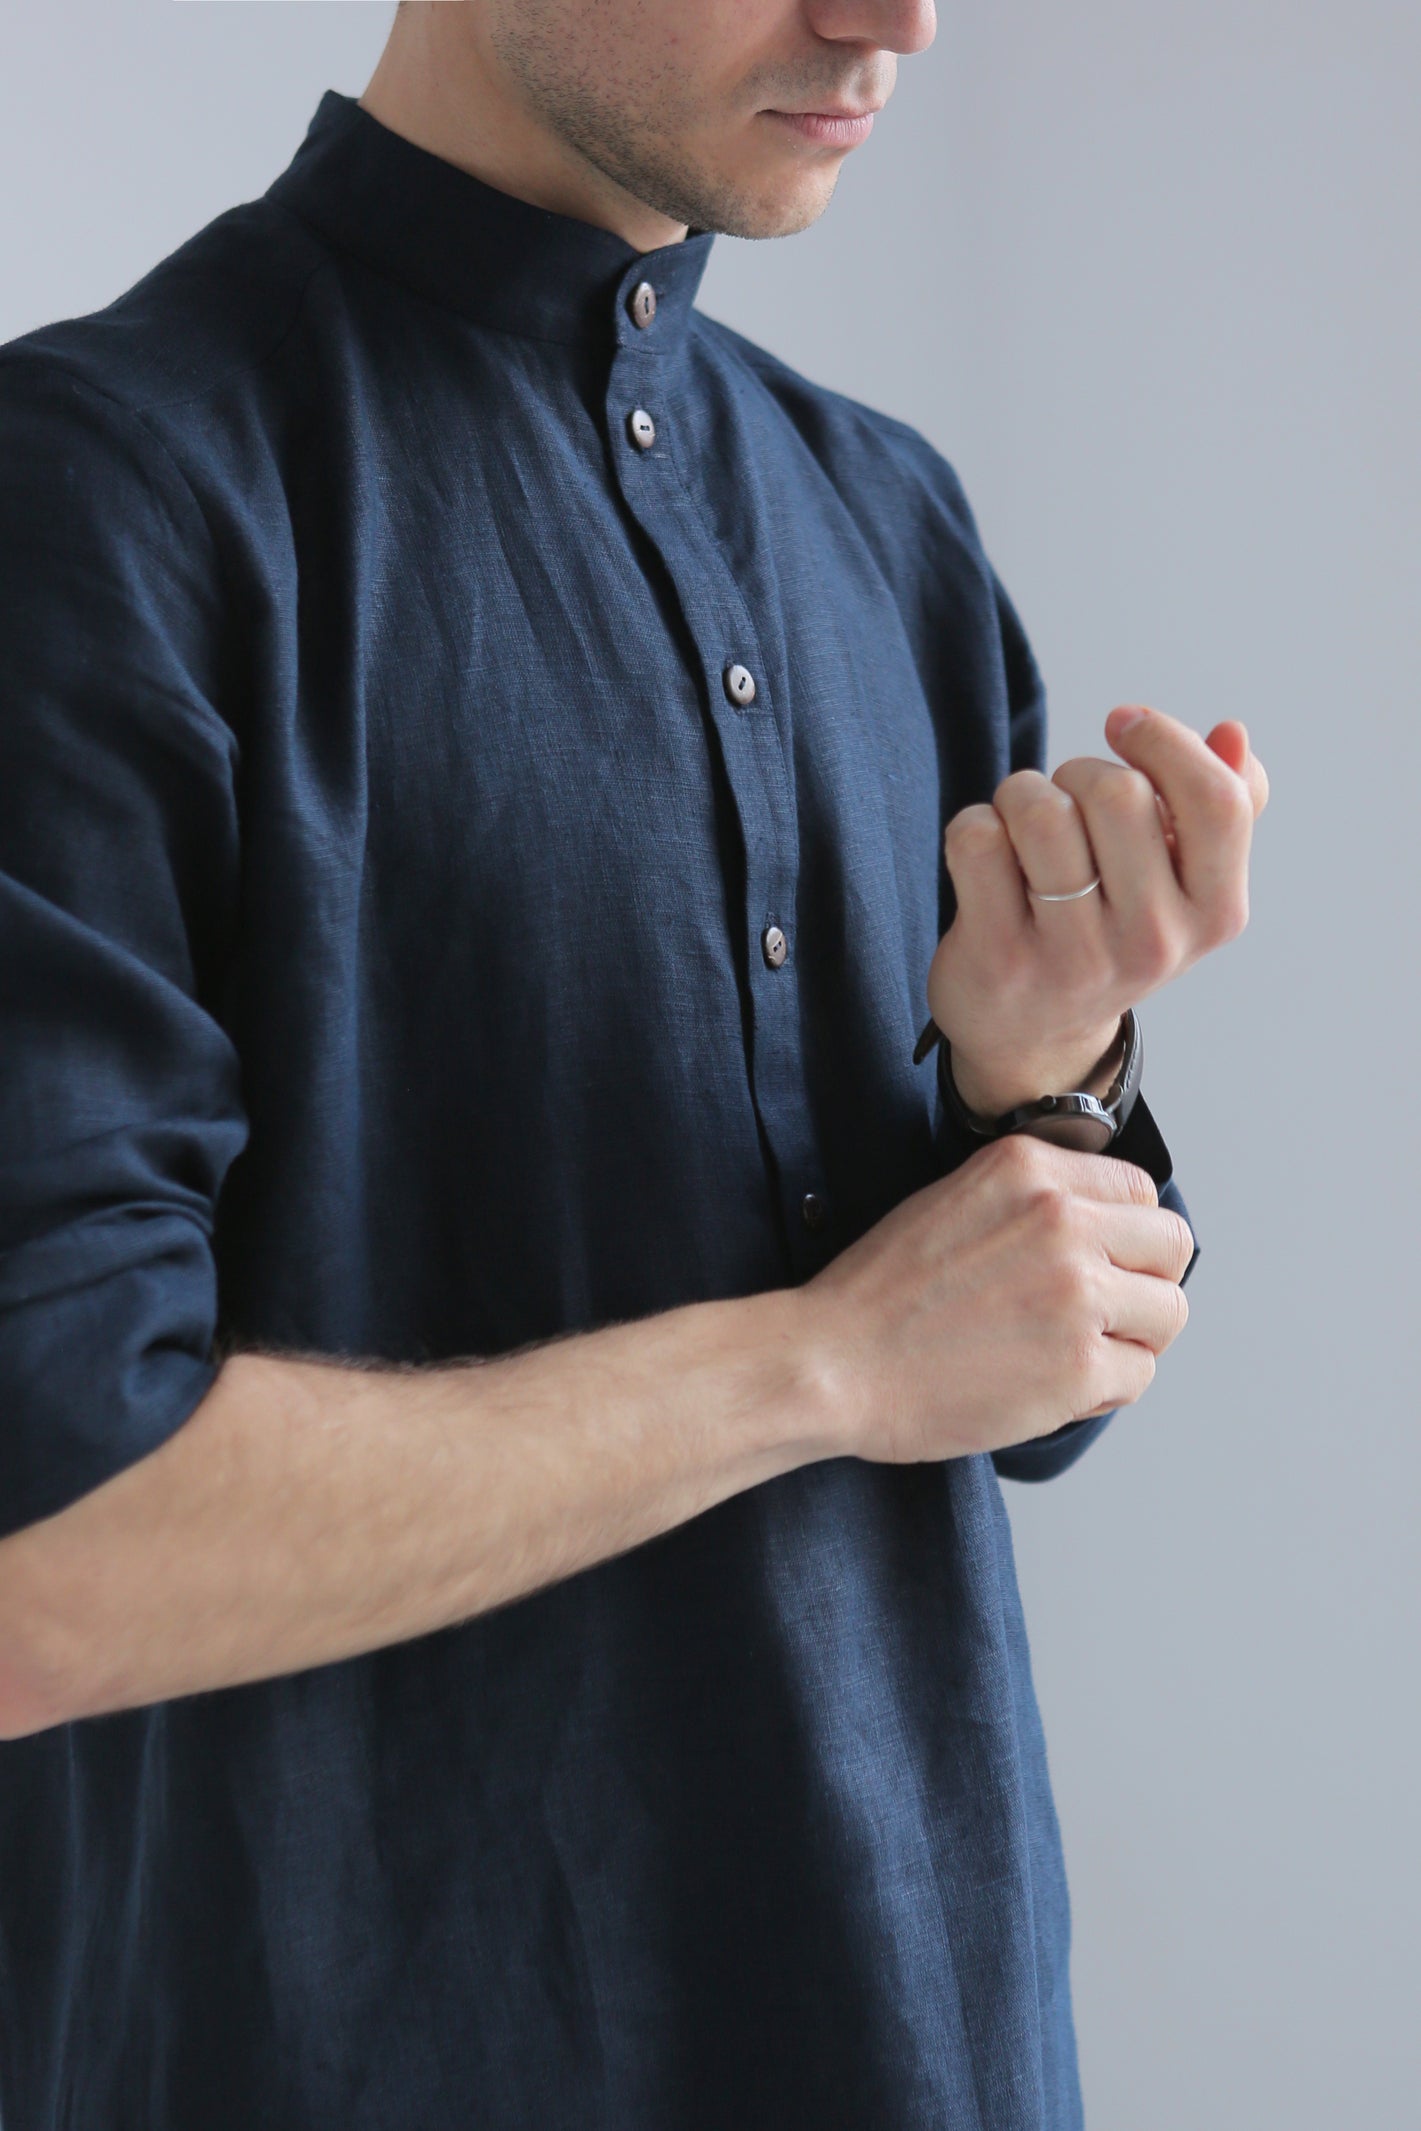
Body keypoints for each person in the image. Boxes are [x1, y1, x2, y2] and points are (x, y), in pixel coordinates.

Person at [0, 3, 1268, 2126]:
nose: (897, 16)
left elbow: (1031, 1408)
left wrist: (1034, 1071)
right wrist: (831, 1361)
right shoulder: (101, 499)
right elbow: (51, 1557)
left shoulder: (892, 520)